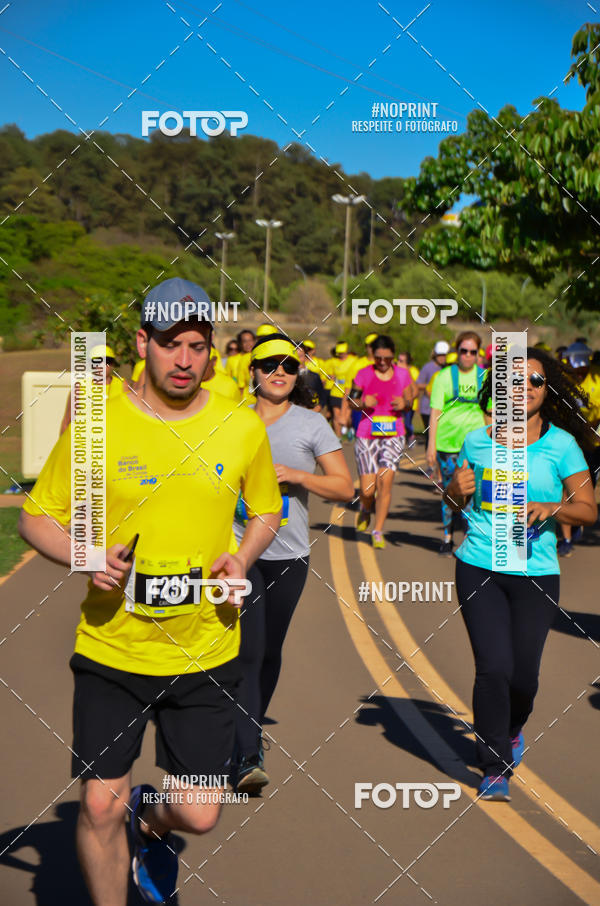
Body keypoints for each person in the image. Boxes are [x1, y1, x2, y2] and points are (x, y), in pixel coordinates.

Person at [19, 277, 282, 905]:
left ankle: (149, 819)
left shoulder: (240, 426)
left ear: (211, 350)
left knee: (199, 813)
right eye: (170, 344)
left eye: (197, 345)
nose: (184, 359)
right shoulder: (98, 423)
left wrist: (242, 555)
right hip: (113, 648)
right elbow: (36, 518)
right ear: (143, 342)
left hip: (206, 649)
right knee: (97, 806)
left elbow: (267, 510)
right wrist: (85, 555)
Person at [444, 348, 596, 800]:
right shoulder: (476, 441)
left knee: (524, 677)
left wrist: (553, 507)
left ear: (546, 391)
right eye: (516, 380)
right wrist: (453, 489)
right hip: (479, 566)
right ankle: (494, 765)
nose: (525, 388)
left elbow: (588, 509)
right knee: (493, 668)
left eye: (535, 380)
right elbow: (456, 503)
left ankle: (511, 729)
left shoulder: (562, 446)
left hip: (536, 572)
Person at [233, 333, 353, 792]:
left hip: (289, 554)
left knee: (269, 650)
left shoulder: (311, 423)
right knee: (248, 649)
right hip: (240, 552)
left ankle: (248, 726)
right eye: (269, 365)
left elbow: (343, 487)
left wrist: (297, 476)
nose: (278, 372)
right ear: (253, 372)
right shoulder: (232, 420)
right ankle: (247, 753)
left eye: (287, 365)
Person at [351, 335, 415, 549]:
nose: (382, 362)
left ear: (393, 356)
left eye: (387, 358)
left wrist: (405, 403)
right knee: (368, 490)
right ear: (373, 355)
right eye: (378, 358)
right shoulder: (363, 374)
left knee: (385, 482)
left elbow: (410, 399)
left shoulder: (403, 374)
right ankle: (365, 508)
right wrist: (362, 402)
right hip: (367, 434)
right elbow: (351, 401)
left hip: (393, 435)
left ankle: (378, 531)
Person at [427, 331, 486, 555]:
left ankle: (470, 539)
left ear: (478, 354)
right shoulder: (443, 377)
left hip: (476, 448)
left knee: (475, 494)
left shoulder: (486, 378)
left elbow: (490, 413)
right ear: (457, 351)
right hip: (448, 445)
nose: (468, 356)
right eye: (464, 351)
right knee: (451, 491)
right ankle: (447, 537)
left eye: (473, 352)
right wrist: (431, 445)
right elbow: (435, 412)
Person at [557, 341, 600, 556]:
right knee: (565, 486)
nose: (580, 371)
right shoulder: (563, 380)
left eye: (583, 367)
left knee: (586, 485)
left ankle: (577, 520)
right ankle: (566, 539)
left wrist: (591, 428)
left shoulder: (597, 379)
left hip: (593, 442)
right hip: (569, 442)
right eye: (576, 367)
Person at [59, 344, 123, 435]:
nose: (101, 365)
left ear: (112, 364)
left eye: (106, 361)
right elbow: (67, 421)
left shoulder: (123, 386)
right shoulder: (79, 387)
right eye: (97, 361)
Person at [327, 341, 357, 438]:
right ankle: (338, 438)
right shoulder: (333, 361)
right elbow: (330, 374)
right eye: (339, 353)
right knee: (336, 416)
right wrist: (330, 377)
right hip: (336, 391)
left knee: (346, 417)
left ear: (347, 351)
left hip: (349, 391)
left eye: (343, 353)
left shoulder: (353, 360)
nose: (341, 355)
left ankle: (349, 427)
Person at [397, 351, 420, 447]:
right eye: (398, 360)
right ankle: (400, 441)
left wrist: (407, 372)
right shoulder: (395, 370)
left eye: (401, 361)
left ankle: (411, 437)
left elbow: (415, 389)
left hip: (410, 403)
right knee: (399, 422)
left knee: (407, 423)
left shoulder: (414, 371)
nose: (398, 362)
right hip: (398, 402)